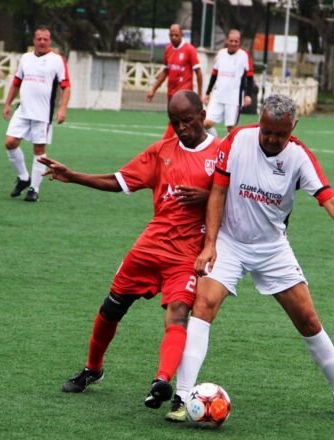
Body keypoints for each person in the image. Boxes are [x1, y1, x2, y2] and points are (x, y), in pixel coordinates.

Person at [174, 94, 334, 420]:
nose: (272, 139)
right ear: (260, 120)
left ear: (293, 127)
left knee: (308, 319)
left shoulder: (299, 157)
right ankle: (182, 398)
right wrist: (210, 244)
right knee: (203, 307)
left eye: (280, 134)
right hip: (230, 242)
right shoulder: (237, 140)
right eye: (267, 131)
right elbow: (217, 192)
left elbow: (328, 199)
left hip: (273, 248)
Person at [40, 91, 220, 421]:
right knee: (111, 308)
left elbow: (232, 201)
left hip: (186, 254)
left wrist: (207, 196)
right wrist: (74, 175)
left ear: (202, 114)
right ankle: (92, 369)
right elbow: (118, 180)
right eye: (175, 122)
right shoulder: (162, 152)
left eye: (187, 120)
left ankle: (161, 382)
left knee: (178, 313)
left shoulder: (220, 155)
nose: (181, 128)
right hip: (149, 246)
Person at [3, 26, 71, 203]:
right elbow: (16, 82)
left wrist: (62, 109)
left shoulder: (57, 60)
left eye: (45, 39)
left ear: (49, 41)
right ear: (34, 40)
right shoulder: (25, 58)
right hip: (23, 110)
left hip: (43, 114)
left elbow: (66, 86)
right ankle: (24, 177)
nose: (42, 42)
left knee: (39, 150)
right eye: (39, 39)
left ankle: (34, 188)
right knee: (10, 142)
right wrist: (7, 104)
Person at [147, 23, 203, 139]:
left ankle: (163, 146)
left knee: (177, 120)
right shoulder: (168, 49)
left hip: (184, 94)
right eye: (171, 35)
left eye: (176, 35)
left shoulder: (189, 50)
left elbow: (198, 72)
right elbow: (165, 72)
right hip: (171, 93)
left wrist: (200, 94)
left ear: (182, 35)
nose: (173, 37)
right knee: (180, 122)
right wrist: (153, 89)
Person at [202, 29, 254, 136]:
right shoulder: (221, 54)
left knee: (231, 129)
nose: (233, 43)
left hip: (234, 99)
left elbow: (250, 77)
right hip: (218, 96)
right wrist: (207, 93)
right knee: (205, 124)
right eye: (231, 41)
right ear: (227, 41)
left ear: (239, 42)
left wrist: (248, 95)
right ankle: (216, 142)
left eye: (236, 41)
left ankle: (228, 151)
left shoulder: (244, 56)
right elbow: (214, 75)